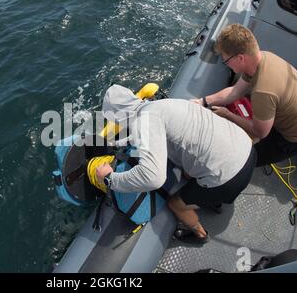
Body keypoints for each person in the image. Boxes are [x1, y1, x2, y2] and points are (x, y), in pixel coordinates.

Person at [96, 84, 256, 244]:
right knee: (189, 171)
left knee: (175, 204)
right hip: (247, 151)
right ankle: (213, 201)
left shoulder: (143, 122)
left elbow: (153, 178)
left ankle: (200, 235)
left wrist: (110, 179)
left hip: (230, 179)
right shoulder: (161, 105)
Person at [194, 24, 297, 167]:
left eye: (226, 60)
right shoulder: (263, 58)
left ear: (240, 58)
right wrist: (203, 101)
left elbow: (259, 132)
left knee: (244, 162)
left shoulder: (263, 91)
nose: (226, 64)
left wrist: (228, 114)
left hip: (295, 137)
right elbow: (235, 91)